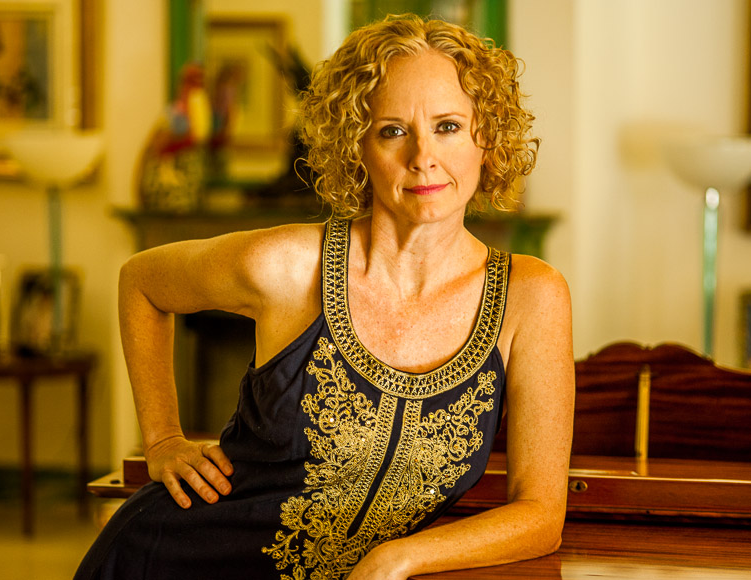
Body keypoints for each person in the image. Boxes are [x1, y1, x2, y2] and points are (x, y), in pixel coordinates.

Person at [75, 14, 574, 580]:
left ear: (488, 138)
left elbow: (540, 514)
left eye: (448, 126)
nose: (422, 157)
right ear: (355, 145)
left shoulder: (530, 297)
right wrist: (163, 438)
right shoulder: (286, 266)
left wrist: (399, 557)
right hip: (169, 561)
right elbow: (141, 281)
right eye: (392, 131)